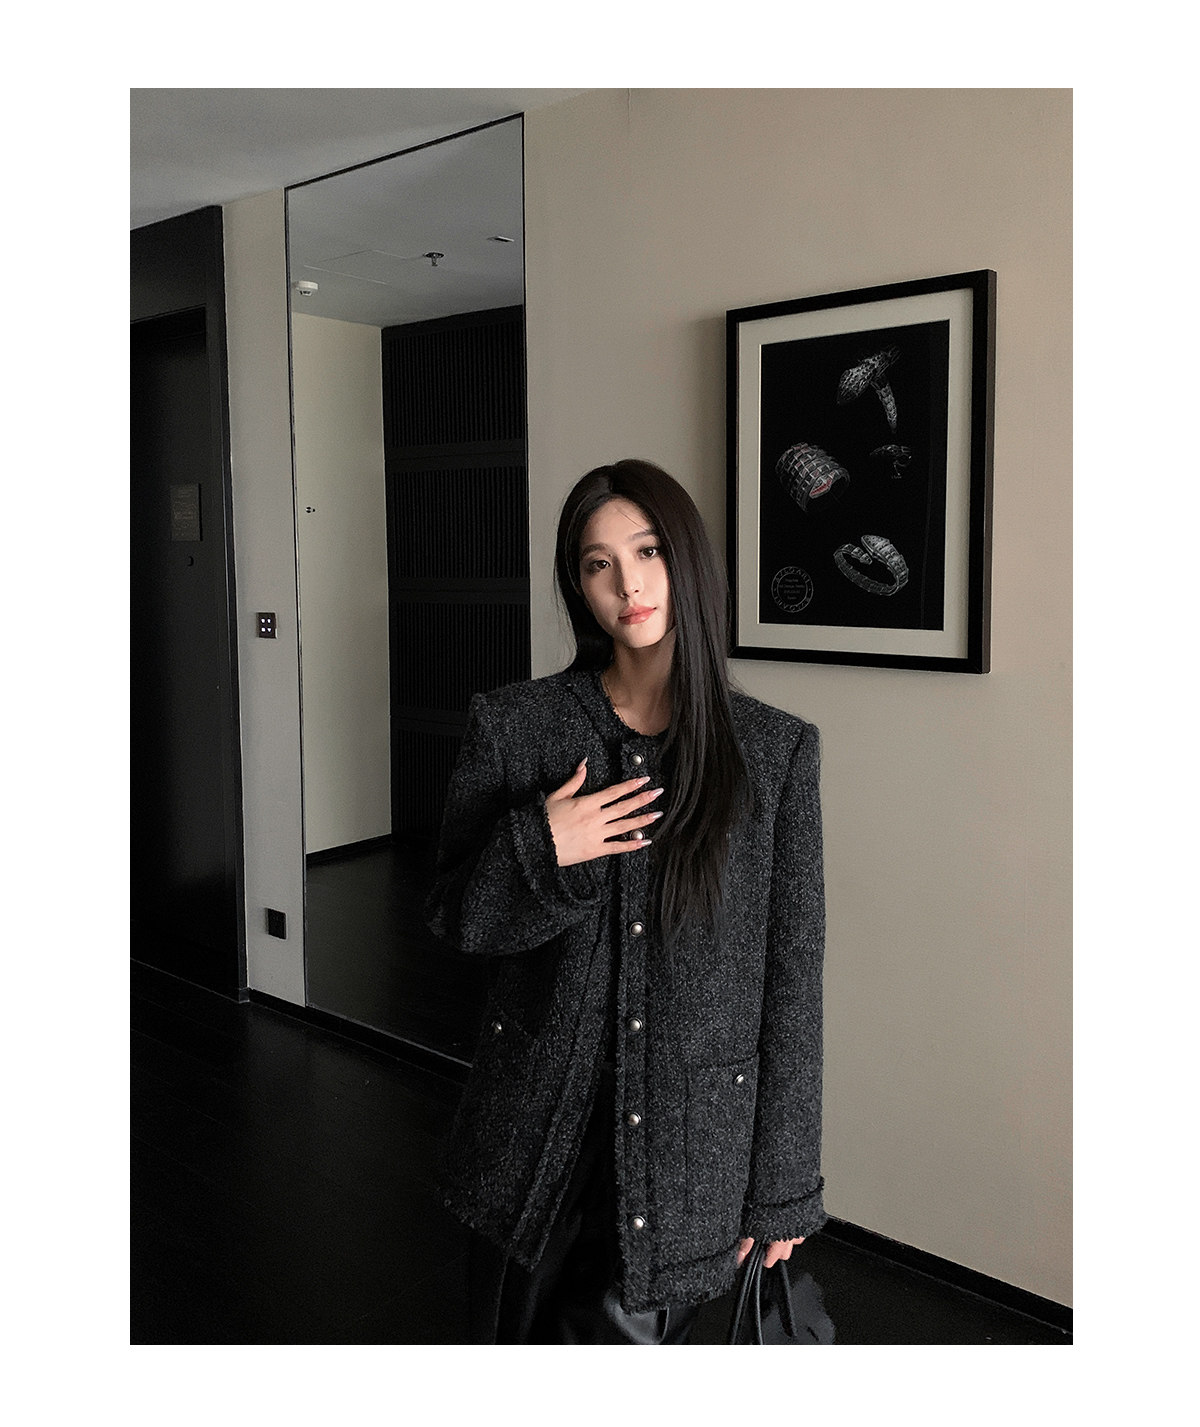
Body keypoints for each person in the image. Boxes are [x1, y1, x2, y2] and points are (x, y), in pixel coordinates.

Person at [424, 458, 827, 1344]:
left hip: (688, 1153)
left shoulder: (773, 755)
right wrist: (542, 846)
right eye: (597, 563)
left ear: (686, 560)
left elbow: (793, 981)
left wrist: (784, 1182)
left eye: (647, 552)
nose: (628, 585)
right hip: (535, 1145)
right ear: (578, 586)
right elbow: (456, 919)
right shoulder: (518, 727)